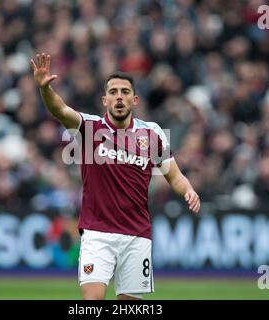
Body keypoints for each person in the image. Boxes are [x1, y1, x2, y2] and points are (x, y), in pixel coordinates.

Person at [31, 53, 200, 300]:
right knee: (93, 300)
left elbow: (174, 177)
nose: (118, 96)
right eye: (113, 92)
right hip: (97, 233)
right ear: (104, 100)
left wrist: (189, 190)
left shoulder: (152, 134)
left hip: (137, 234)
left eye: (124, 91)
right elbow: (59, 109)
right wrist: (45, 89)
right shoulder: (90, 128)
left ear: (135, 99)